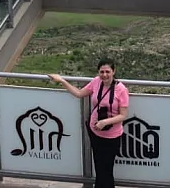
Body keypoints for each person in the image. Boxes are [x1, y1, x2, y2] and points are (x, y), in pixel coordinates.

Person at [49, 60, 130, 188]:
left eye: (107, 72)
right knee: (99, 167)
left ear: (114, 71)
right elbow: (79, 93)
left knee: (106, 170)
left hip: (111, 136)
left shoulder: (121, 90)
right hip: (95, 133)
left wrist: (105, 122)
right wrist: (62, 81)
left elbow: (123, 115)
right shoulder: (96, 82)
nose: (104, 75)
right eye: (102, 72)